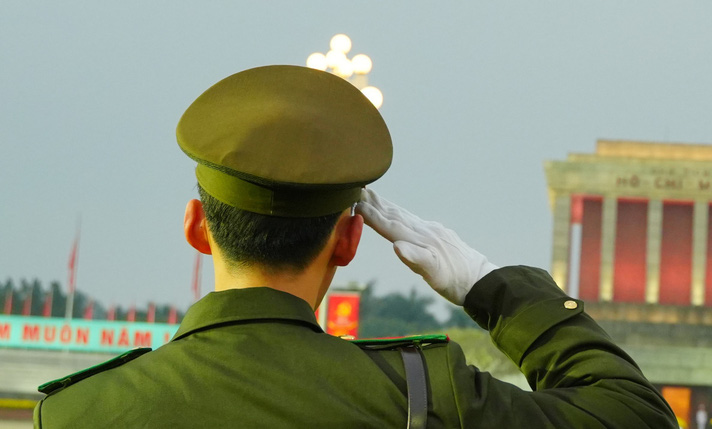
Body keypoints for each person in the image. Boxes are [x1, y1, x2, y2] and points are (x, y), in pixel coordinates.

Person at [34, 65, 676, 428]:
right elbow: (632, 418)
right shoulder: (421, 396)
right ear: (348, 240)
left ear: (196, 229)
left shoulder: (75, 414)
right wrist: (492, 288)